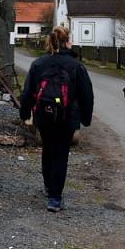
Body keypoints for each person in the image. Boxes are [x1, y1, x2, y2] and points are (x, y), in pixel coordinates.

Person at [20, 26, 94, 212]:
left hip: (43, 116)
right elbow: (87, 95)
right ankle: (55, 198)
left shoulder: (39, 64)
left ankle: (48, 185)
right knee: (61, 154)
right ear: (67, 42)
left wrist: (25, 113)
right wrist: (85, 118)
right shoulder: (76, 66)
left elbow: (28, 91)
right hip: (67, 117)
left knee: (48, 149)